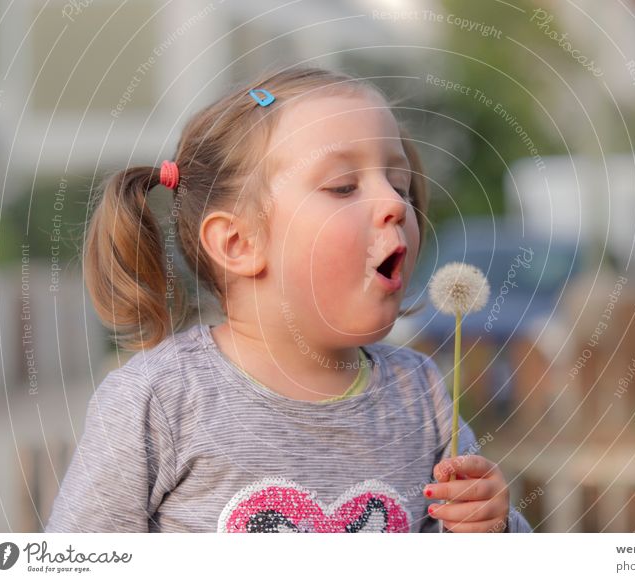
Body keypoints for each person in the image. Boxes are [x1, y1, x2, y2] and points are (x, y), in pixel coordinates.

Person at [45, 66, 532, 533]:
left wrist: (487, 527)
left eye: (400, 184)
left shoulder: (418, 394)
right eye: (343, 187)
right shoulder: (159, 401)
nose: (395, 204)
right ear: (239, 243)